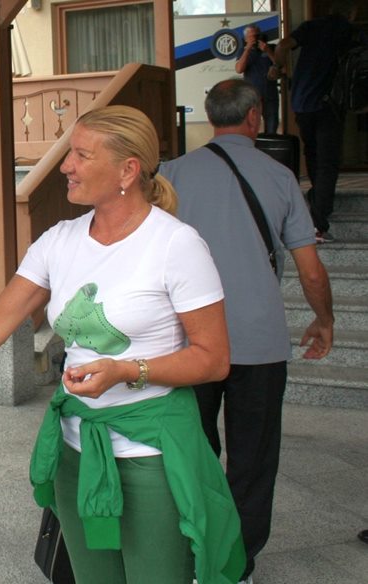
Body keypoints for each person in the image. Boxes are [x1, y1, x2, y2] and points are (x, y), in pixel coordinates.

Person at [0, 106, 245, 584]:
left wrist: (125, 370)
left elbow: (213, 359)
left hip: (150, 455)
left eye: (81, 154)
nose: (64, 165)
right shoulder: (60, 240)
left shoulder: (177, 245)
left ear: (128, 170)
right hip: (77, 450)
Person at [160, 78, 335, 584]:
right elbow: (311, 269)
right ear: (256, 116)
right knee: (253, 462)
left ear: (213, 117)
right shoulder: (279, 176)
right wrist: (323, 321)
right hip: (257, 343)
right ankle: (236, 567)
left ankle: (190, 555)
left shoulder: (171, 173)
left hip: (188, 343)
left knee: (190, 453)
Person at [271, 0, 366, 243]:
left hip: (302, 102)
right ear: (352, 11)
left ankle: (315, 201)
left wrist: (276, 68)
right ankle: (318, 222)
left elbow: (283, 45)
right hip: (328, 104)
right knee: (328, 161)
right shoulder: (350, 31)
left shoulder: (311, 26)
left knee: (313, 156)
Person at [235, 25, 279, 134]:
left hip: (270, 94)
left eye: (256, 35)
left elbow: (281, 66)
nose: (255, 38)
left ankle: (269, 148)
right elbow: (239, 69)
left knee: (272, 124)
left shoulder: (272, 48)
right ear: (245, 39)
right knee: (251, 125)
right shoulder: (243, 51)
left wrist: (268, 51)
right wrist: (248, 49)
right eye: (251, 37)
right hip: (252, 96)